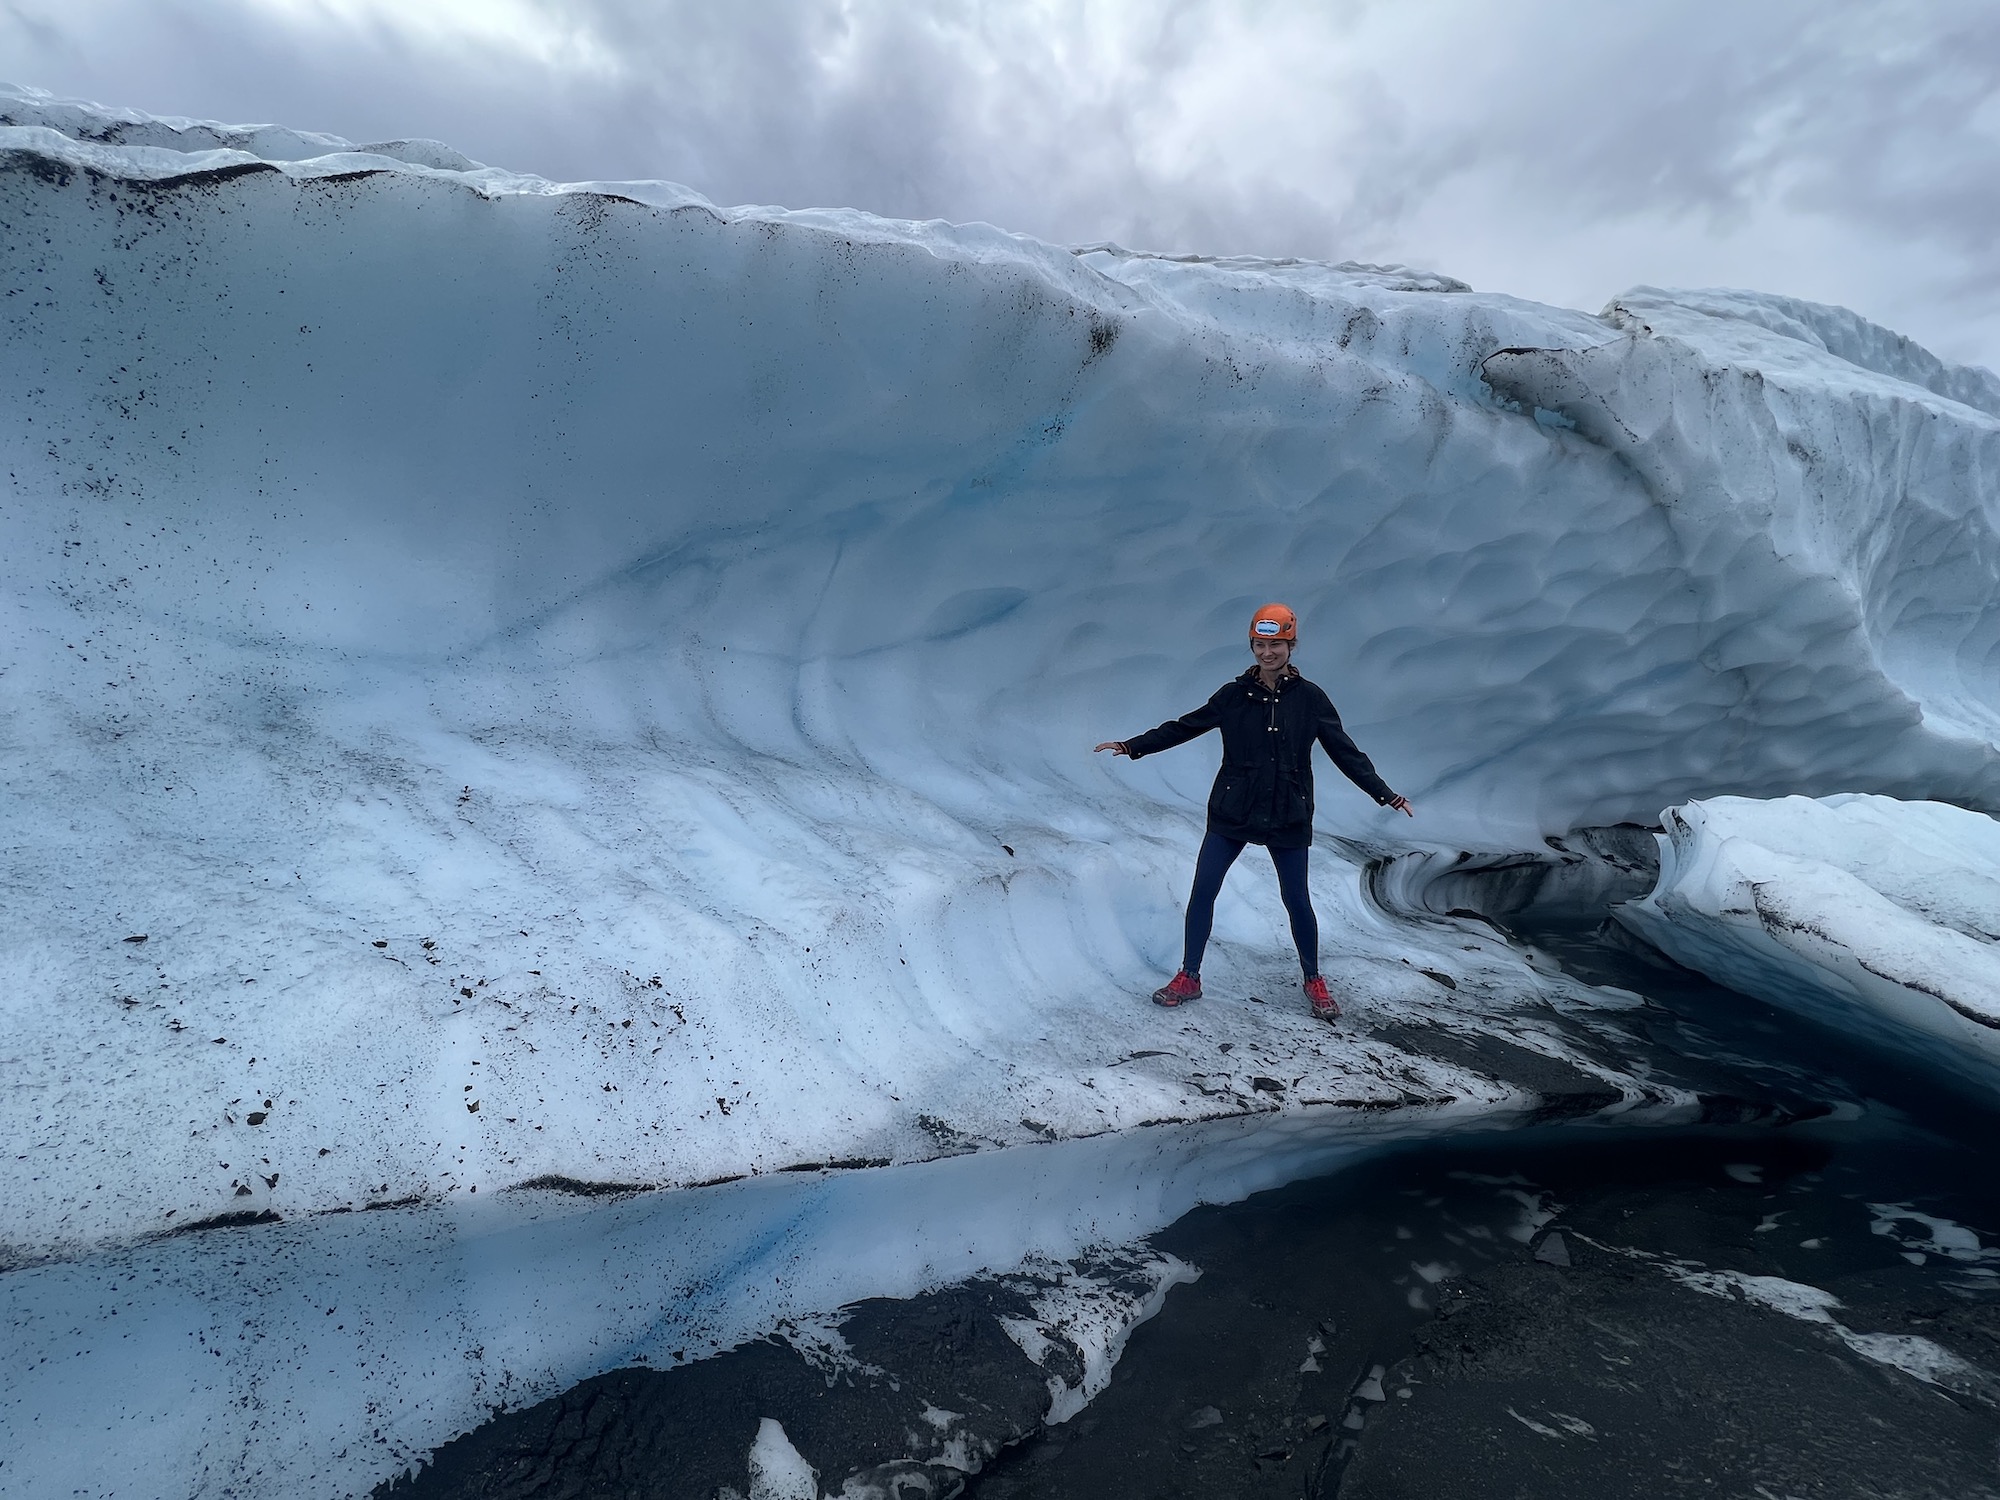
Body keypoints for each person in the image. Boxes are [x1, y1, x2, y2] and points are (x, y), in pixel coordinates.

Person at [1095, 603, 1413, 1020]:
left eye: (1276, 644)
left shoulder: (1311, 699)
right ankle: (1189, 976)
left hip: (1288, 813)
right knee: (1203, 892)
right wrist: (1133, 745)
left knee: (1297, 901)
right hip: (1234, 810)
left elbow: (1345, 752)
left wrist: (1385, 793)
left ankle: (1313, 979)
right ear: (1252, 645)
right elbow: (1184, 726)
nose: (1268, 652)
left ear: (1291, 645)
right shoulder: (1233, 696)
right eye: (1261, 644)